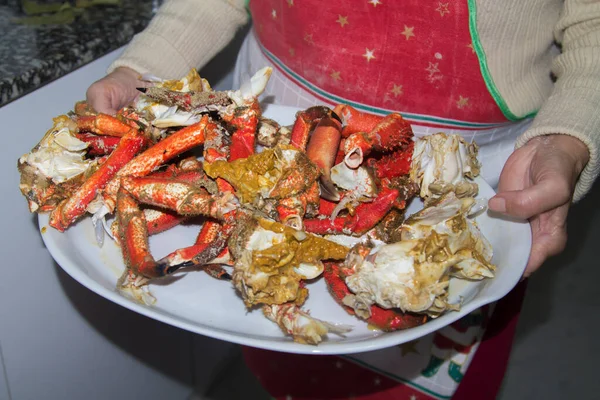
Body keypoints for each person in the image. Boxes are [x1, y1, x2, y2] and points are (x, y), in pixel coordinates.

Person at [86, 0, 599, 399]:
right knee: (277, 342)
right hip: (271, 136)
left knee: (436, 340)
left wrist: (570, 135)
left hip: (466, 177)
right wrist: (143, 71)